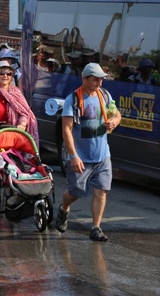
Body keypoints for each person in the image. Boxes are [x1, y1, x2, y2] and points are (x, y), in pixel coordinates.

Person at [57, 63, 121, 242]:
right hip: (81, 157)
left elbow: (117, 115)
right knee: (75, 192)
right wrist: (73, 156)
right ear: (84, 79)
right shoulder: (73, 99)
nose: (99, 83)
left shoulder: (104, 95)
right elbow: (67, 130)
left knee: (101, 191)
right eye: (95, 79)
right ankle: (64, 208)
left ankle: (96, 227)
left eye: (101, 79)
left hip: (102, 156)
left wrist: (114, 122)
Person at [0, 60, 39, 212]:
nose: (5, 76)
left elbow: (25, 112)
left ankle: (11, 199)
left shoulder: (16, 93)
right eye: (1, 73)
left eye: (9, 73)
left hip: (11, 139)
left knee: (12, 170)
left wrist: (22, 125)